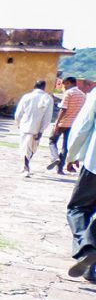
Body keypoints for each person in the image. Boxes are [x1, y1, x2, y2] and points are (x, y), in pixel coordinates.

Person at [65, 87, 96, 282]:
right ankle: (89, 267)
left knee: (77, 209)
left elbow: (83, 126)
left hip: (94, 165)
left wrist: (71, 154)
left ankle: (87, 247)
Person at [14, 80, 53, 177]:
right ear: (44, 87)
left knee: (25, 147)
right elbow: (47, 117)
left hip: (25, 126)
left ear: (34, 86)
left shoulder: (27, 97)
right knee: (32, 148)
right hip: (37, 128)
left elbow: (19, 113)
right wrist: (41, 130)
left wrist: (18, 123)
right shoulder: (48, 98)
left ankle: (25, 166)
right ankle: (26, 166)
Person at [48, 77, 86, 174]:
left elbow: (63, 109)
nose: (63, 87)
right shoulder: (83, 95)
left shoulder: (68, 93)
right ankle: (60, 169)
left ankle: (55, 158)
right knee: (66, 146)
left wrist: (57, 122)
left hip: (63, 123)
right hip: (73, 125)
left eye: (64, 85)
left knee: (52, 140)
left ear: (69, 83)